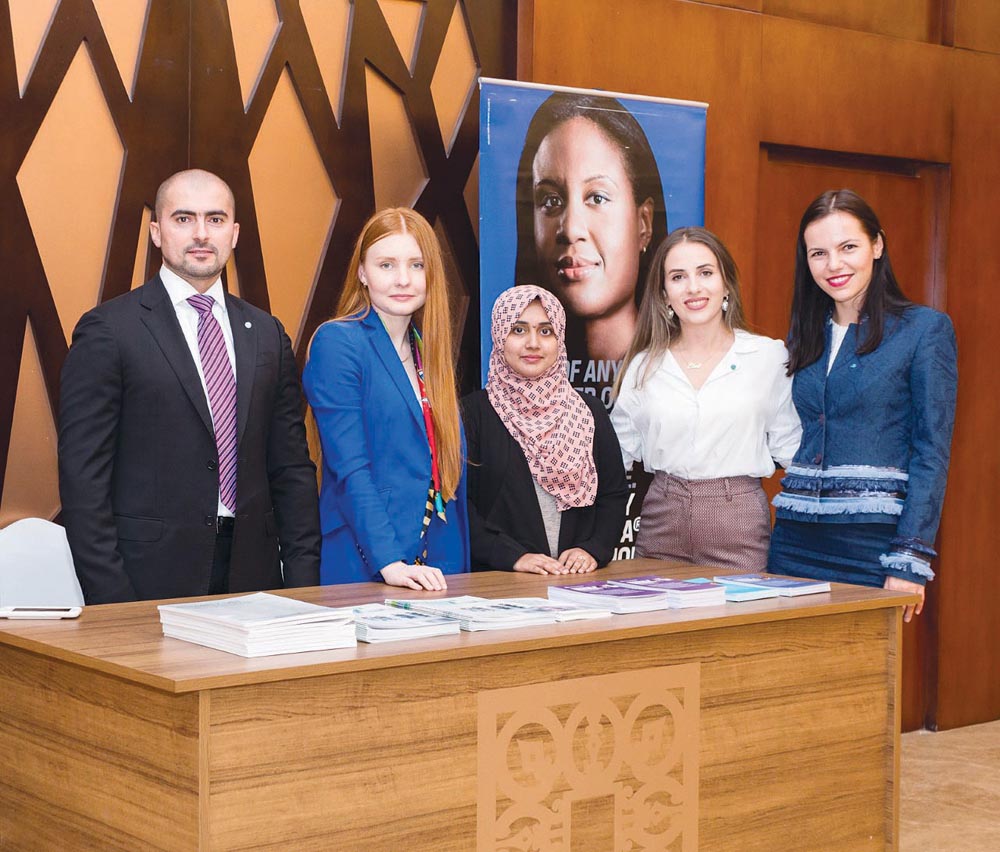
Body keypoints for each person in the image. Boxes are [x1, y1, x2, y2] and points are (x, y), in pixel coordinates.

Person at [59, 169, 321, 604]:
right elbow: (83, 480)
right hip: (146, 584)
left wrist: (301, 585)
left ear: (234, 233)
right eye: (183, 219)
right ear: (156, 232)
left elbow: (291, 468)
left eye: (215, 220)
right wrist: (115, 602)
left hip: (255, 581)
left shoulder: (267, 334)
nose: (201, 233)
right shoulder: (108, 331)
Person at [769, 189, 958, 622]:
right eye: (818, 253)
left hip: (871, 546)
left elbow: (932, 452)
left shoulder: (924, 330)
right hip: (794, 543)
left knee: (861, 682)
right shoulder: (804, 337)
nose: (834, 265)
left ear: (877, 245)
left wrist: (910, 556)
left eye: (848, 247)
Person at [611, 227, 801, 571]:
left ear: (726, 283)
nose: (693, 287)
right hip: (661, 521)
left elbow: (793, 450)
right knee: (659, 624)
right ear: (664, 294)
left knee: (740, 624)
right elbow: (614, 458)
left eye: (705, 273)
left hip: (739, 522)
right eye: (678, 277)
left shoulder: (767, 356)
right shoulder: (643, 366)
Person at [302, 208, 468, 589]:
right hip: (368, 564)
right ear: (362, 272)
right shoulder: (338, 343)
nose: (403, 279)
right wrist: (389, 562)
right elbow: (350, 469)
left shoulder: (428, 350)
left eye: (416, 264)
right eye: (387, 265)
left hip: (441, 564)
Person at [463, 286, 628, 574]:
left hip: (577, 584)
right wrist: (513, 557)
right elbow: (460, 506)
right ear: (499, 335)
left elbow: (612, 495)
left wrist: (593, 549)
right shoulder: (472, 414)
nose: (533, 343)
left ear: (560, 339)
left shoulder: (588, 412)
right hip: (499, 582)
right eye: (518, 330)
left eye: (545, 331)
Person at [515, 93, 668, 362]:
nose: (571, 229)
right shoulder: (511, 386)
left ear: (643, 224)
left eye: (597, 198)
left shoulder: (677, 378)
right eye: (551, 200)